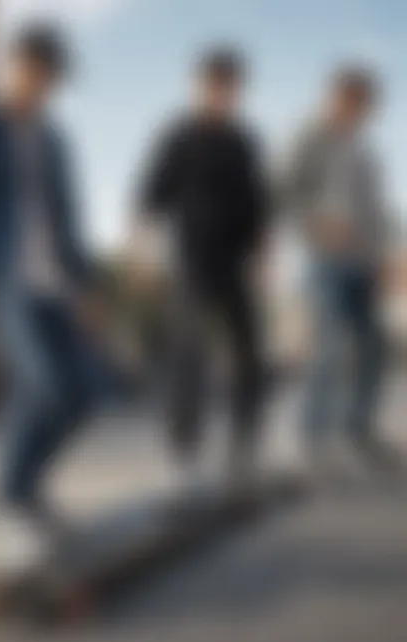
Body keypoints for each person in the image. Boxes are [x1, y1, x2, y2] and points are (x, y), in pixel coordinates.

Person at [0, 25, 101, 573]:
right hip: (4, 278)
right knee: (43, 384)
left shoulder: (55, 141)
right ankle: (10, 507)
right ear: (11, 65)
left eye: (48, 79)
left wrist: (84, 287)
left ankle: (29, 490)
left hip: (56, 284)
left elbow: (70, 219)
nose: (39, 87)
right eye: (31, 72)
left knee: (84, 392)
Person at [133, 47, 270, 498]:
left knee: (250, 357)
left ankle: (243, 449)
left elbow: (259, 208)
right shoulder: (179, 137)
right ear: (198, 86)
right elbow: (149, 199)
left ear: (237, 91)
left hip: (236, 266)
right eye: (213, 85)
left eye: (229, 87)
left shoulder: (244, 141)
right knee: (190, 356)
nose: (221, 94)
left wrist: (265, 259)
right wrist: (143, 255)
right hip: (191, 263)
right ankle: (184, 454)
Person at [284, 66, 392, 478]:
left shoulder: (364, 152)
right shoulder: (309, 138)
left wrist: (387, 256)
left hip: (363, 264)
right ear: (336, 97)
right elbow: (285, 191)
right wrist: (315, 223)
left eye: (365, 106)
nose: (358, 111)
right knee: (329, 345)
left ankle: (358, 430)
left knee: (373, 347)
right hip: (324, 261)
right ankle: (314, 438)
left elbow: (377, 211)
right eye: (352, 101)